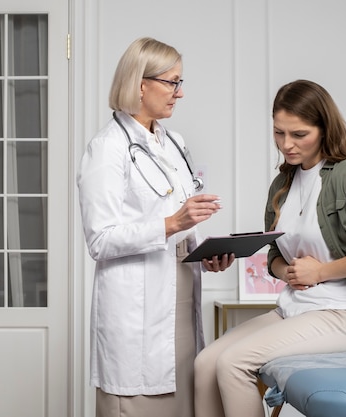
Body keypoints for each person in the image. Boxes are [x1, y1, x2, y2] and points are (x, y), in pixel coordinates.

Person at [193, 79, 346, 417]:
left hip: (345, 315)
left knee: (233, 363)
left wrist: (319, 272)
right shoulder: (283, 183)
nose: (286, 144)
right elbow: (276, 255)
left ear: (323, 128)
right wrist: (285, 272)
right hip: (296, 308)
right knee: (205, 364)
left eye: (299, 134)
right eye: (279, 133)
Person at [77, 37, 234, 417]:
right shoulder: (108, 148)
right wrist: (171, 223)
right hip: (137, 312)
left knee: (182, 402)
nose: (179, 93)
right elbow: (100, 239)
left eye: (180, 82)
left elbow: (178, 221)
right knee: (138, 403)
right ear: (140, 83)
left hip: (179, 295)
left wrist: (206, 254)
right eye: (171, 82)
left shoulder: (173, 142)